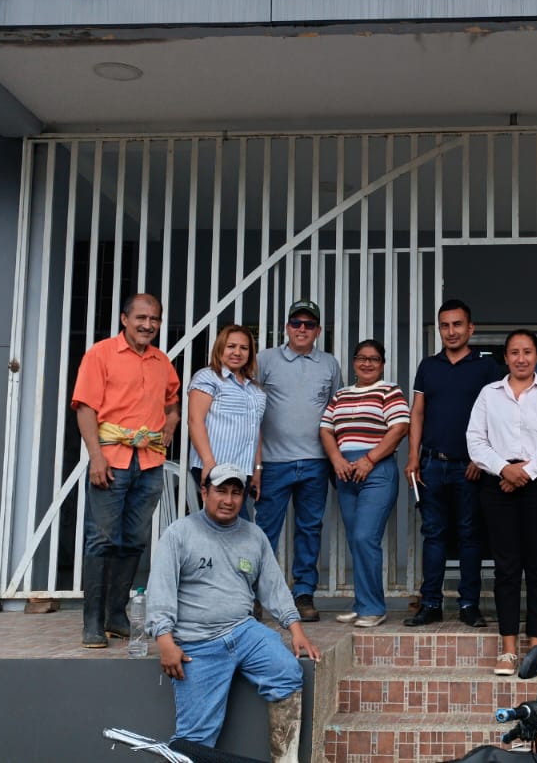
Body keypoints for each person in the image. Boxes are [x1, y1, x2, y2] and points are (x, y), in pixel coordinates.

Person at [146, 466, 319, 763]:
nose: (228, 500)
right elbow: (161, 589)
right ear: (204, 492)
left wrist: (296, 630)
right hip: (197, 644)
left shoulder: (254, 535)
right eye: (221, 491)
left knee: (288, 673)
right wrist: (164, 641)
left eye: (236, 493)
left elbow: (274, 587)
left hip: (244, 631)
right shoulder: (179, 534)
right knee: (193, 740)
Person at [70, 292, 181, 649]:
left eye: (154, 319)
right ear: (124, 319)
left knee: (134, 540)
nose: (148, 325)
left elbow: (172, 402)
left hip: (149, 463)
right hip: (111, 459)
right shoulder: (100, 354)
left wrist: (171, 423)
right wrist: (96, 457)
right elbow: (85, 408)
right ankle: (92, 621)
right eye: (141, 318)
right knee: (101, 538)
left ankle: (116, 615)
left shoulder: (162, 361)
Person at [466, 329, 537, 676]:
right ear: (506, 357)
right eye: (514, 352)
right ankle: (509, 649)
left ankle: (536, 647)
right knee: (507, 567)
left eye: (527, 352)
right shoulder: (489, 394)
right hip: (498, 485)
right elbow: (475, 440)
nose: (521, 358)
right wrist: (504, 469)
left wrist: (525, 472)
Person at [404, 299, 503, 628]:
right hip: (432, 464)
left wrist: (482, 457)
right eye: (445, 325)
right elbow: (417, 413)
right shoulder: (428, 366)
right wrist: (413, 457)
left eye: (457, 324)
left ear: (470, 328)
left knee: (470, 536)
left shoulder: (487, 368)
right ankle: (431, 603)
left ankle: (469, 605)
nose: (451, 331)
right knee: (433, 535)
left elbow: (497, 416)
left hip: (470, 467)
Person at [254, 299, 344, 623]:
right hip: (273, 462)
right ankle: (256, 594)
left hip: (316, 461)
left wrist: (335, 461)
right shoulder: (265, 359)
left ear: (318, 330)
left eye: (309, 324)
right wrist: (256, 464)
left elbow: (336, 412)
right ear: (286, 328)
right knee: (264, 531)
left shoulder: (329, 364)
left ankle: (303, 593)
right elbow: (251, 409)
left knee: (309, 530)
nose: (302, 329)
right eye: (296, 323)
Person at [320, 339, 409, 628]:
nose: (367, 363)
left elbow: (399, 428)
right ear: (354, 362)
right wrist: (336, 459)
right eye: (361, 358)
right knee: (355, 540)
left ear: (382, 364)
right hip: (346, 472)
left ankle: (374, 608)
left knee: (364, 537)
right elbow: (326, 429)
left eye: (374, 359)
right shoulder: (341, 395)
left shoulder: (389, 391)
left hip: (377, 470)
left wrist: (369, 460)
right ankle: (361, 604)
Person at [185, 323, 266, 521]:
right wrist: (208, 463)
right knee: (231, 523)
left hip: (243, 469)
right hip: (216, 466)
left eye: (244, 348)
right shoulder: (208, 377)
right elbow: (195, 421)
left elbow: (255, 429)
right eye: (231, 346)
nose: (237, 352)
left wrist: (257, 469)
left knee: (232, 524)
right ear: (220, 348)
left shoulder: (254, 388)